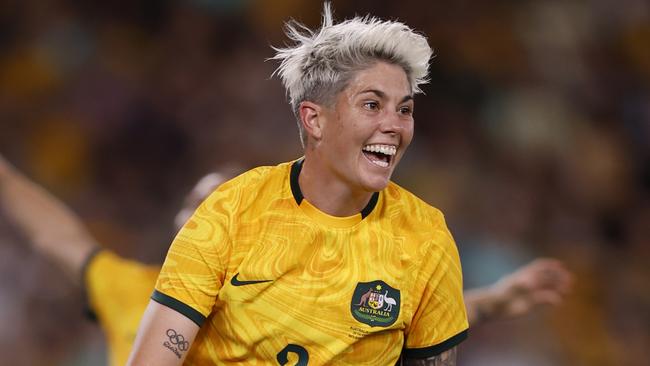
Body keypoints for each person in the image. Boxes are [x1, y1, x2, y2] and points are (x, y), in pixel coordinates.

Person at [123, 4, 571, 365]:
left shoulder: (426, 237)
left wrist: (491, 303)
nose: (394, 126)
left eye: (404, 109)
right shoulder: (231, 210)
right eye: (372, 105)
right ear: (314, 119)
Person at [0, 153, 573, 365]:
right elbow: (58, 237)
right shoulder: (136, 289)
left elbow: (390, 328)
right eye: (198, 208)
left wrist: (493, 301)